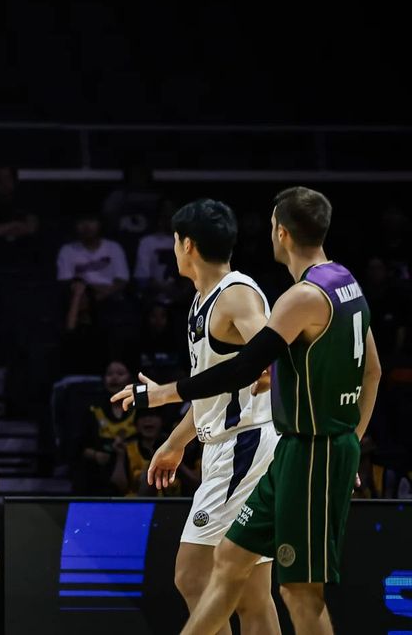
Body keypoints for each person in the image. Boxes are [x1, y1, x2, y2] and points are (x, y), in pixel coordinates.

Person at [118, 187, 383, 635]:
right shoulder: (341, 281)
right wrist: (176, 440)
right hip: (277, 446)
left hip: (267, 446)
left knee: (215, 577)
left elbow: (255, 366)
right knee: (248, 587)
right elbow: (370, 370)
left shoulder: (257, 296)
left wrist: (163, 394)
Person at [139, 198, 279, 634]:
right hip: (232, 444)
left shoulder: (236, 294)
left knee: (193, 573)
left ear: (188, 245)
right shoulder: (203, 298)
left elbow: (276, 352)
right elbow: (213, 388)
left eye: (175, 241)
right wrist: (176, 441)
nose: (174, 248)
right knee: (253, 595)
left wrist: (270, 369)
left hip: (246, 447)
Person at [75, 360, 137, 495]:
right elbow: (78, 447)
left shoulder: (140, 408)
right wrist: (96, 455)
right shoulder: (93, 410)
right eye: (109, 374)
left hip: (136, 473)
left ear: (130, 379)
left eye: (120, 373)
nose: (114, 378)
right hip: (100, 475)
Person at [114, 411, 196, 497]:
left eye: (153, 416)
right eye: (143, 416)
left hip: (177, 504)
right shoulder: (127, 448)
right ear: (136, 425)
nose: (148, 420)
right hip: (138, 505)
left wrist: (177, 464)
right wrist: (120, 457)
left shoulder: (178, 446)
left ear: (162, 422)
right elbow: (119, 487)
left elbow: (197, 484)